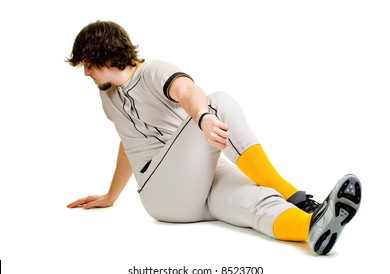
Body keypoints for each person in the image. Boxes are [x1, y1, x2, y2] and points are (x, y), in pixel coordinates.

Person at [66, 20, 361, 255]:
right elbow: (128, 145)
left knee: (258, 201)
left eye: (88, 64)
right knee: (217, 102)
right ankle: (297, 197)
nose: (86, 73)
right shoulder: (107, 98)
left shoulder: (152, 71)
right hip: (163, 195)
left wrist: (204, 118)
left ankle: (312, 226)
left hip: (194, 186)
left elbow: (188, 91)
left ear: (104, 53)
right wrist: (112, 195)